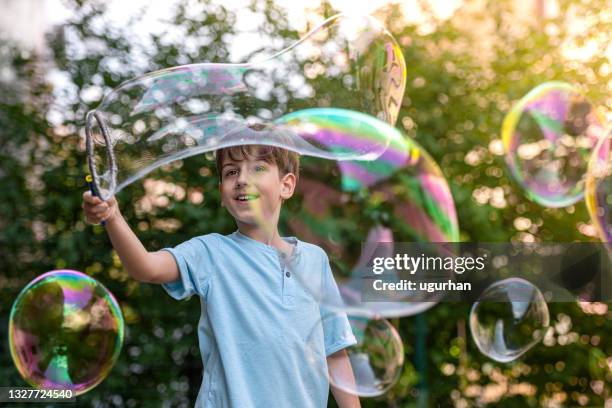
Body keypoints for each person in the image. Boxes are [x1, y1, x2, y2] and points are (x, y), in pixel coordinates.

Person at [83, 143, 361, 408]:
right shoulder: (211, 252)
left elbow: (335, 352)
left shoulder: (315, 260)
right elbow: (146, 267)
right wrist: (114, 217)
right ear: (221, 191)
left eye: (257, 168)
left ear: (286, 185)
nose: (241, 179)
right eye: (231, 171)